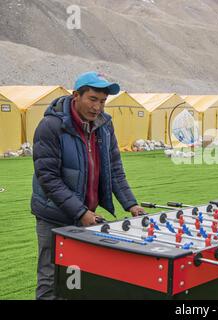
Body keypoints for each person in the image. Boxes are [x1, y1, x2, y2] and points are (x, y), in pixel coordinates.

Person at [31, 71, 146, 300]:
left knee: (79, 278)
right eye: (92, 99)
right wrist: (81, 211)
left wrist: (131, 204)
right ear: (76, 96)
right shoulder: (50, 126)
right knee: (50, 279)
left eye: (103, 101)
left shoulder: (104, 125)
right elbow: (49, 178)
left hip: (86, 215)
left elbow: (114, 169)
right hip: (54, 216)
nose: (98, 107)